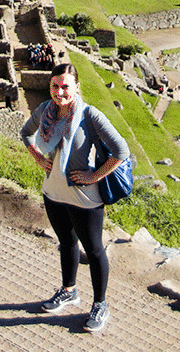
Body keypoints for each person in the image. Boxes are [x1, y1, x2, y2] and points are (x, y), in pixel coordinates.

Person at [20, 60, 129, 335]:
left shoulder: (90, 116)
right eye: (55, 86)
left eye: (65, 86)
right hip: (53, 193)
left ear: (76, 87)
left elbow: (121, 150)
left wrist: (95, 176)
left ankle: (100, 305)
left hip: (84, 199)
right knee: (66, 242)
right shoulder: (46, 110)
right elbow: (25, 133)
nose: (60, 92)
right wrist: (37, 157)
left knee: (93, 250)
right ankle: (68, 291)